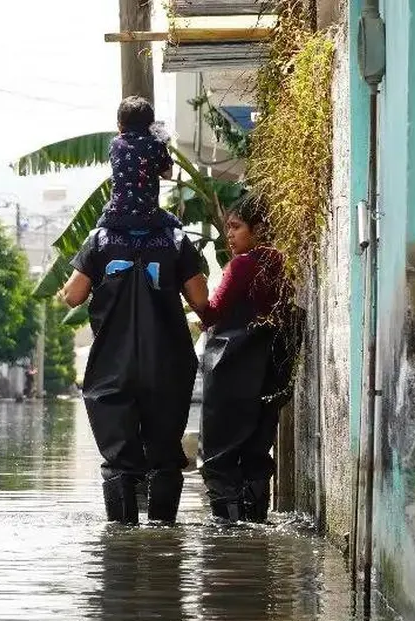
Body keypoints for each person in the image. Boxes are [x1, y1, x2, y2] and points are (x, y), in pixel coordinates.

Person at [60, 210, 210, 525]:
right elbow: (199, 299)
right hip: (166, 366)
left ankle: (122, 546)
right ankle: (164, 541)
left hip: (112, 368)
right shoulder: (176, 240)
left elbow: (73, 296)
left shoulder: (99, 240)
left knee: (119, 460)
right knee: (165, 457)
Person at [196, 190, 299, 523]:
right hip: (270, 372)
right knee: (256, 453)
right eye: (227, 227)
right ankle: (255, 526)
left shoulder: (241, 266)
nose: (229, 234)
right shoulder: (284, 264)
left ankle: (228, 538)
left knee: (219, 457)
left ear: (259, 229)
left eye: (237, 227)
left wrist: (192, 298)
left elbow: (212, 313)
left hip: (232, 370)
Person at [95, 96, 175, 232]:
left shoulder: (114, 144)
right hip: (150, 216)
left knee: (96, 231)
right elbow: (168, 174)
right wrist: (164, 143)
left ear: (120, 125)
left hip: (116, 216)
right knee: (176, 225)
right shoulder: (157, 143)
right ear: (151, 125)